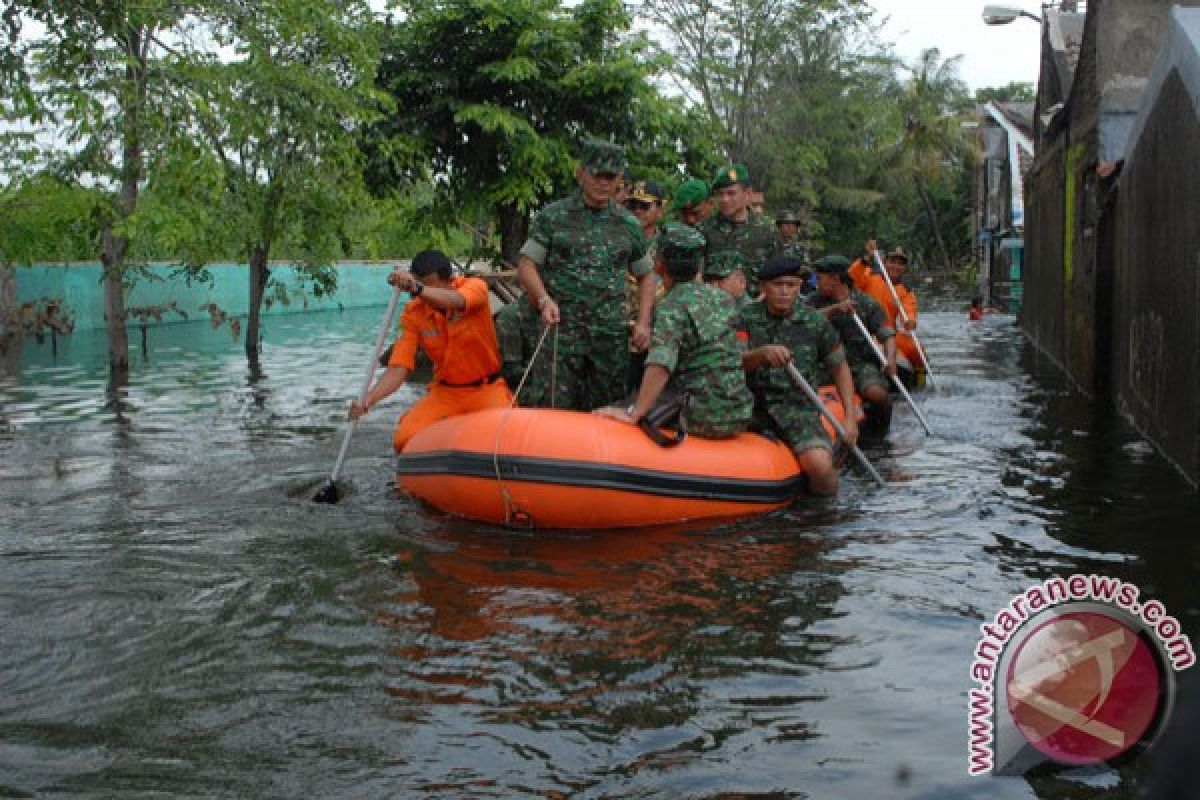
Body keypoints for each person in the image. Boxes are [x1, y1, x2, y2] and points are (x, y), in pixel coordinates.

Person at [515, 138, 654, 410]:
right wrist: (543, 300)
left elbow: (646, 275)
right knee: (552, 408)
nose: (602, 183)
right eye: (596, 175)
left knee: (608, 410)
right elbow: (527, 264)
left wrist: (643, 322)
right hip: (561, 333)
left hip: (609, 337)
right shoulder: (553, 217)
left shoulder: (628, 225)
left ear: (619, 180)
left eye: (610, 177)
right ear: (580, 174)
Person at [596, 223, 753, 439]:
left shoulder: (671, 306)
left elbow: (661, 364)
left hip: (702, 415)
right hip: (739, 411)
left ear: (659, 265)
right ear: (698, 267)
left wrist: (635, 413)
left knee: (610, 411)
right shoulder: (723, 299)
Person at [350, 250, 512, 452]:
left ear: (449, 280)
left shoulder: (474, 288)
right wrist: (369, 399)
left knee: (505, 438)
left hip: (486, 389)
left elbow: (457, 301)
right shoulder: (414, 313)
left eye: (429, 284)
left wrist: (417, 287)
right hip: (446, 392)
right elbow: (399, 368)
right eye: (420, 283)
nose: (425, 293)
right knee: (404, 439)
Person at [736, 254, 859, 496]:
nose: (784, 292)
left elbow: (840, 368)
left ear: (799, 287)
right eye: (777, 285)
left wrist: (850, 420)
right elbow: (733, 362)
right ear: (763, 287)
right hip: (749, 406)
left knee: (820, 467)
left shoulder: (815, 322)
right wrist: (760, 354)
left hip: (798, 408)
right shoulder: (744, 319)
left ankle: (820, 523)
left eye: (790, 285)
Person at [808, 254, 896, 430]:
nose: (816, 283)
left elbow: (887, 335)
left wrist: (890, 359)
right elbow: (804, 319)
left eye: (820, 278)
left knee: (876, 394)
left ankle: (882, 427)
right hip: (824, 365)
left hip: (858, 364)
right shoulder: (813, 301)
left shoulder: (866, 303)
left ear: (835, 279)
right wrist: (834, 310)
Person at [698, 164, 782, 286]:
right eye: (720, 194)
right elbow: (697, 274)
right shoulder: (704, 230)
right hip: (714, 302)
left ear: (747, 193)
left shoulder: (767, 231)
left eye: (731, 193)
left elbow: (778, 273)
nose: (724, 199)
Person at [849, 244, 923, 369]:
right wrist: (866, 258)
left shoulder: (906, 290)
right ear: (884, 262)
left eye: (900, 264)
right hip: (864, 329)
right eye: (892, 262)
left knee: (917, 350)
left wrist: (910, 321)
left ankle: (919, 378)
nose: (896, 266)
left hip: (888, 333)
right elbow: (852, 276)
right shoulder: (869, 275)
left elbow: (909, 310)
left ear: (905, 268)